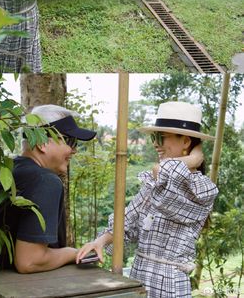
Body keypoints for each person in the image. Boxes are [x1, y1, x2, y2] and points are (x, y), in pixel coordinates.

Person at [77, 101, 219, 298]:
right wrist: (100, 242)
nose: (155, 143)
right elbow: (128, 220)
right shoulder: (155, 183)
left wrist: (193, 159)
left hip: (169, 285)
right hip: (139, 278)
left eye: (161, 137)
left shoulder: (203, 190)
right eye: (154, 137)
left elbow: (162, 175)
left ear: (186, 142)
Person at [0, 104, 96, 273]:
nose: (74, 150)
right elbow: (29, 261)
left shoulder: (6, 171)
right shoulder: (45, 181)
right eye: (70, 141)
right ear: (42, 143)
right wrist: (72, 253)